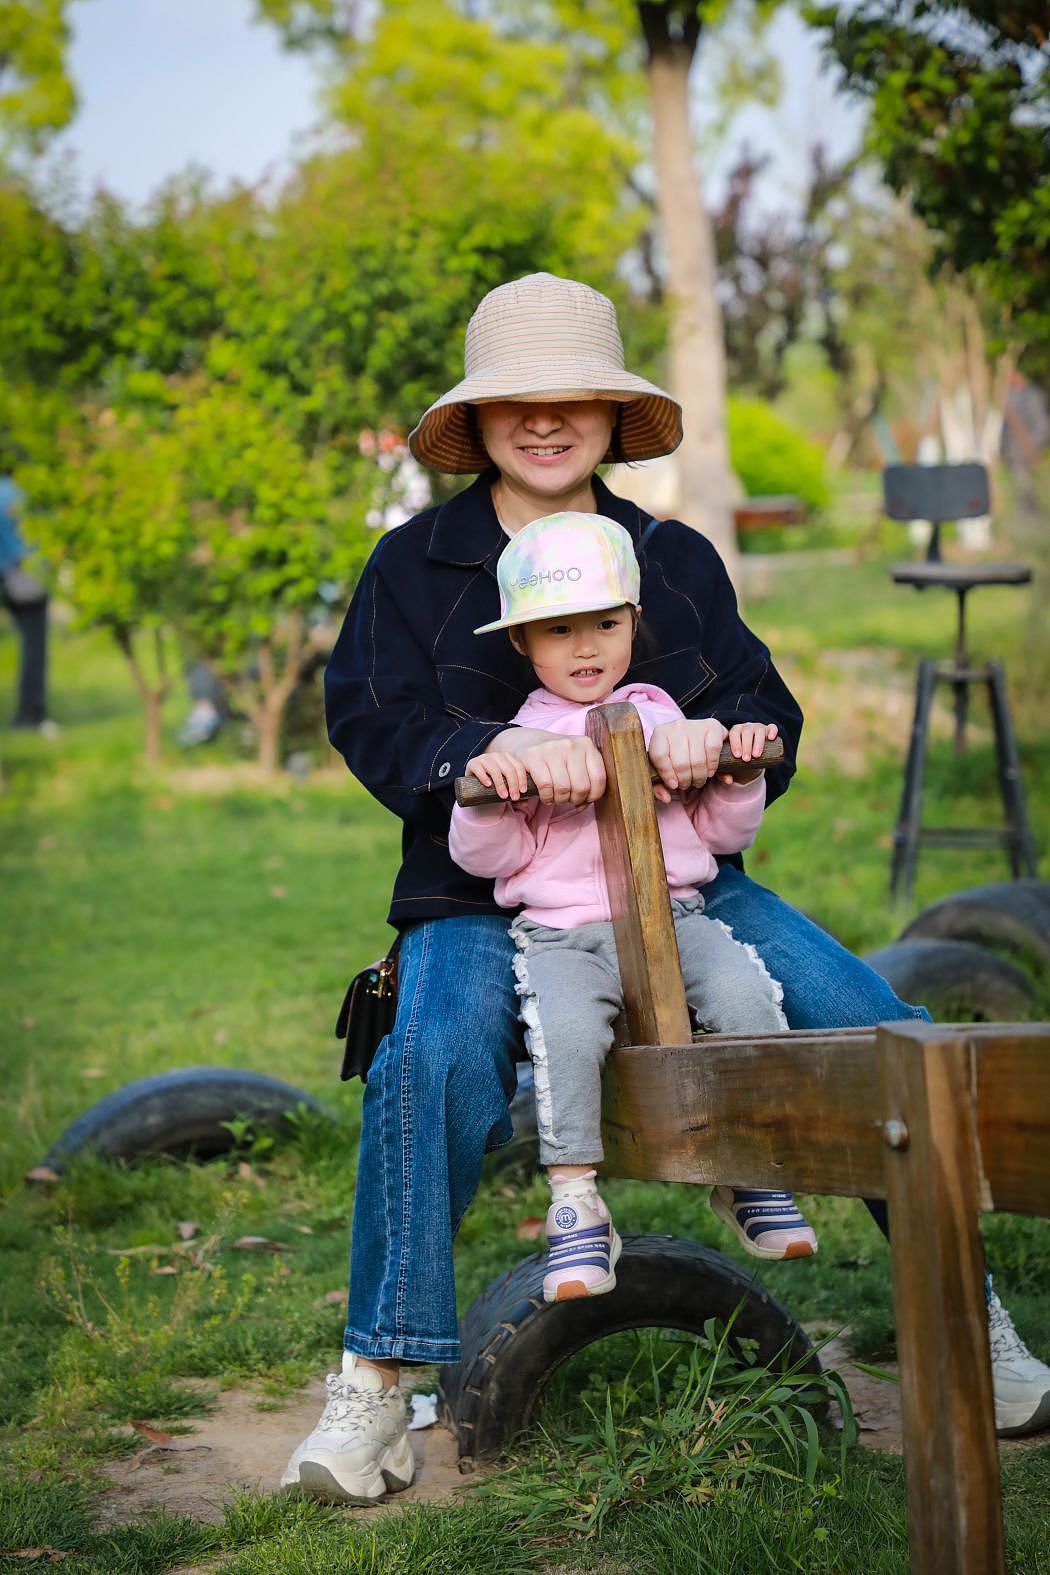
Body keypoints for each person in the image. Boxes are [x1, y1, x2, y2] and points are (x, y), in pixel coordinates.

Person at [282, 272, 1050, 1504]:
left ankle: (974, 1322)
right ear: (475, 420)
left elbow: (766, 705)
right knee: (426, 1056)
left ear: (610, 410)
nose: (546, 421)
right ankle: (378, 1384)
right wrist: (469, 760)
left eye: (574, 397)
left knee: (875, 1020)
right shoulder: (414, 564)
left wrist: (726, 738)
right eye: (516, 401)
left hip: (678, 883)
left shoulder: (674, 559)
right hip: (485, 896)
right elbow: (368, 714)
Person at [449, 509, 817, 1300]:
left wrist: (733, 771)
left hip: (678, 916)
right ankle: (575, 1201)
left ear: (634, 621)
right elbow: (494, 860)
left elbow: (716, 836)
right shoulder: (520, 739)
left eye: (605, 624)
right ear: (521, 642)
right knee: (569, 1032)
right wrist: (485, 798)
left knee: (751, 995)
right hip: (563, 937)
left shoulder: (665, 717)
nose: (585, 647)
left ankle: (748, 1167)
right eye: (558, 631)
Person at [0, 478, 54, 733]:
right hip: (22, 573)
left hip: (7, 573)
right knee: (35, 645)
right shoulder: (15, 493)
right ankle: (31, 714)